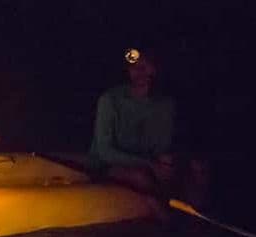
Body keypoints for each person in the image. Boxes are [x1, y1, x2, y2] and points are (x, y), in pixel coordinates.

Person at [88, 48, 209, 209]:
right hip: (108, 165)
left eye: (146, 66)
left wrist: (167, 162)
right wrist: (148, 163)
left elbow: (162, 146)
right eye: (135, 67)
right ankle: (166, 223)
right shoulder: (110, 100)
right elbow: (104, 151)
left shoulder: (166, 104)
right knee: (141, 176)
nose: (141, 73)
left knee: (197, 168)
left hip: (148, 161)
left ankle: (199, 220)